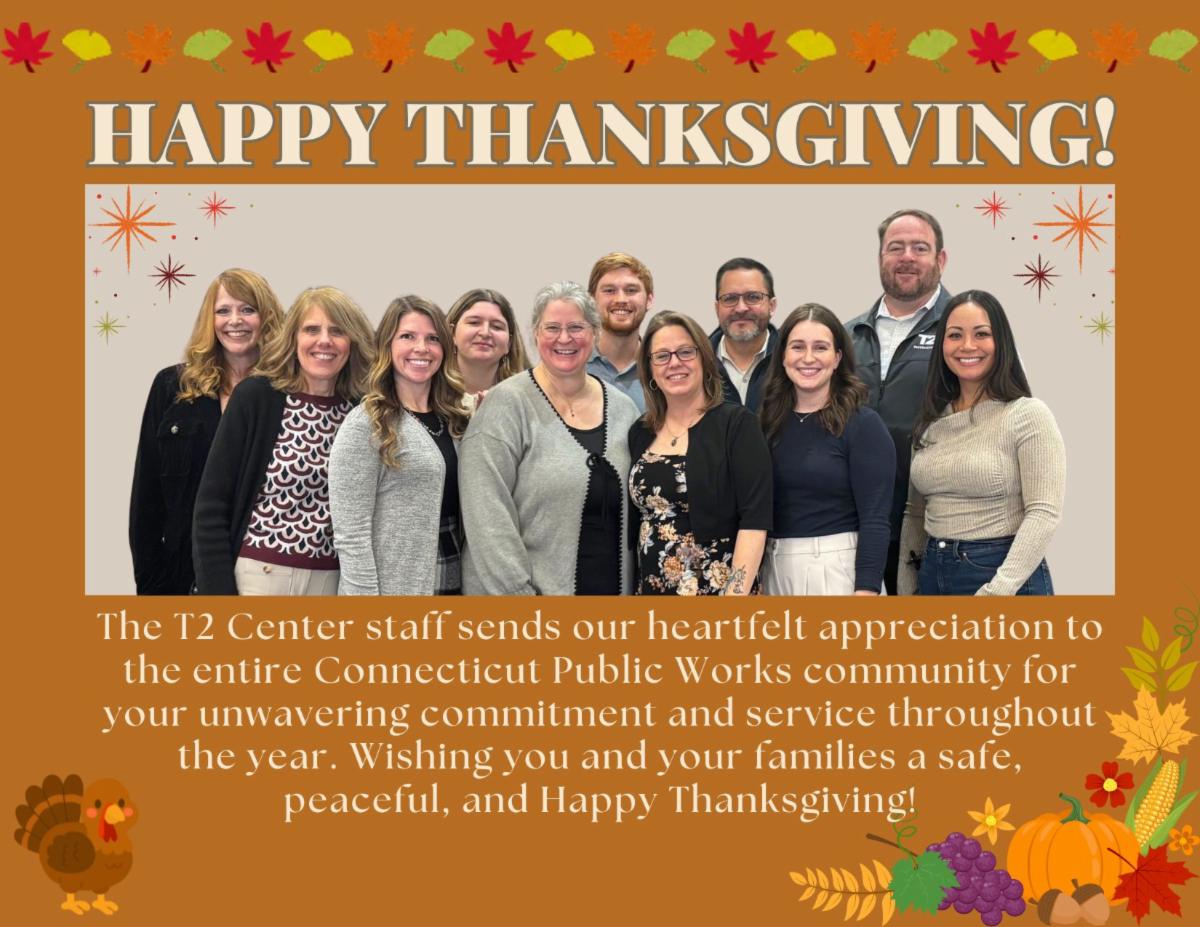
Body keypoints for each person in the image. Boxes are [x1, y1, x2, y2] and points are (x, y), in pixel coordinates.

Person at [459, 281, 640, 595]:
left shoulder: (624, 410)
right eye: (552, 327)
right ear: (535, 334)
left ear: (595, 334)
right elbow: (487, 519)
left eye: (576, 327)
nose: (564, 338)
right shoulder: (505, 405)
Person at [192, 286, 375, 595]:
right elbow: (210, 508)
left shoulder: (361, 411)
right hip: (258, 579)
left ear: (352, 342)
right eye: (311, 330)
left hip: (332, 585)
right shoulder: (256, 397)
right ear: (293, 338)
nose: (324, 341)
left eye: (338, 331)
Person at [898, 290, 1065, 596]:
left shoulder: (1027, 415)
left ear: (1001, 342)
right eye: (955, 335)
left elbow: (1044, 512)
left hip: (1001, 576)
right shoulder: (929, 423)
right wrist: (907, 589)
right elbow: (915, 514)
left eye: (981, 334)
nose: (967, 346)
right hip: (932, 572)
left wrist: (997, 591)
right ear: (942, 346)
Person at [129, 268, 283, 595]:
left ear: (267, 318)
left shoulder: (287, 395)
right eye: (223, 311)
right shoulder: (172, 387)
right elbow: (146, 499)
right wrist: (151, 584)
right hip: (179, 578)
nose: (235, 320)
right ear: (209, 320)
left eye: (248, 309)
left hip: (264, 576)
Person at [329, 296, 468, 596]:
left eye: (432, 339)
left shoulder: (455, 420)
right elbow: (351, 534)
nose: (421, 348)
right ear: (387, 346)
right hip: (393, 590)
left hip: (452, 577)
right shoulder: (365, 424)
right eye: (407, 336)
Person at [846, 208, 954, 594]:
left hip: (938, 528)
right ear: (880, 259)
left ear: (940, 259)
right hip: (858, 525)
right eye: (896, 247)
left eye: (919, 247)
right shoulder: (847, 336)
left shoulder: (968, 332)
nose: (906, 256)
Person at [628, 311, 772, 595]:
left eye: (685, 352)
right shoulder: (641, 432)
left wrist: (736, 595)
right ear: (651, 369)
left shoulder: (737, 425)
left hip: (718, 592)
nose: (674, 363)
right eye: (662, 356)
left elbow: (755, 520)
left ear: (704, 360)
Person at [758, 305, 895, 596]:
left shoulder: (863, 424)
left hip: (837, 571)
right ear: (783, 356)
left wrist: (866, 590)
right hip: (774, 566)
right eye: (797, 347)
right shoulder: (767, 423)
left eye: (820, 347)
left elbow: (875, 518)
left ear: (837, 358)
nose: (808, 358)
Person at [586, 252, 655, 412]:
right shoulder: (569, 368)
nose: (621, 299)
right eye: (609, 290)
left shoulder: (666, 368)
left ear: (649, 300)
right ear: (591, 300)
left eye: (631, 290)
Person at [444, 288, 530, 413]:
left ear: (509, 343)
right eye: (474, 323)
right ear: (452, 333)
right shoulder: (426, 395)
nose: (485, 333)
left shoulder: (529, 400)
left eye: (496, 326)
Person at [709, 257, 779, 412]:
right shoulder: (696, 364)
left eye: (753, 297)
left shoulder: (792, 360)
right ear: (717, 308)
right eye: (730, 298)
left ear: (772, 306)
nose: (741, 308)